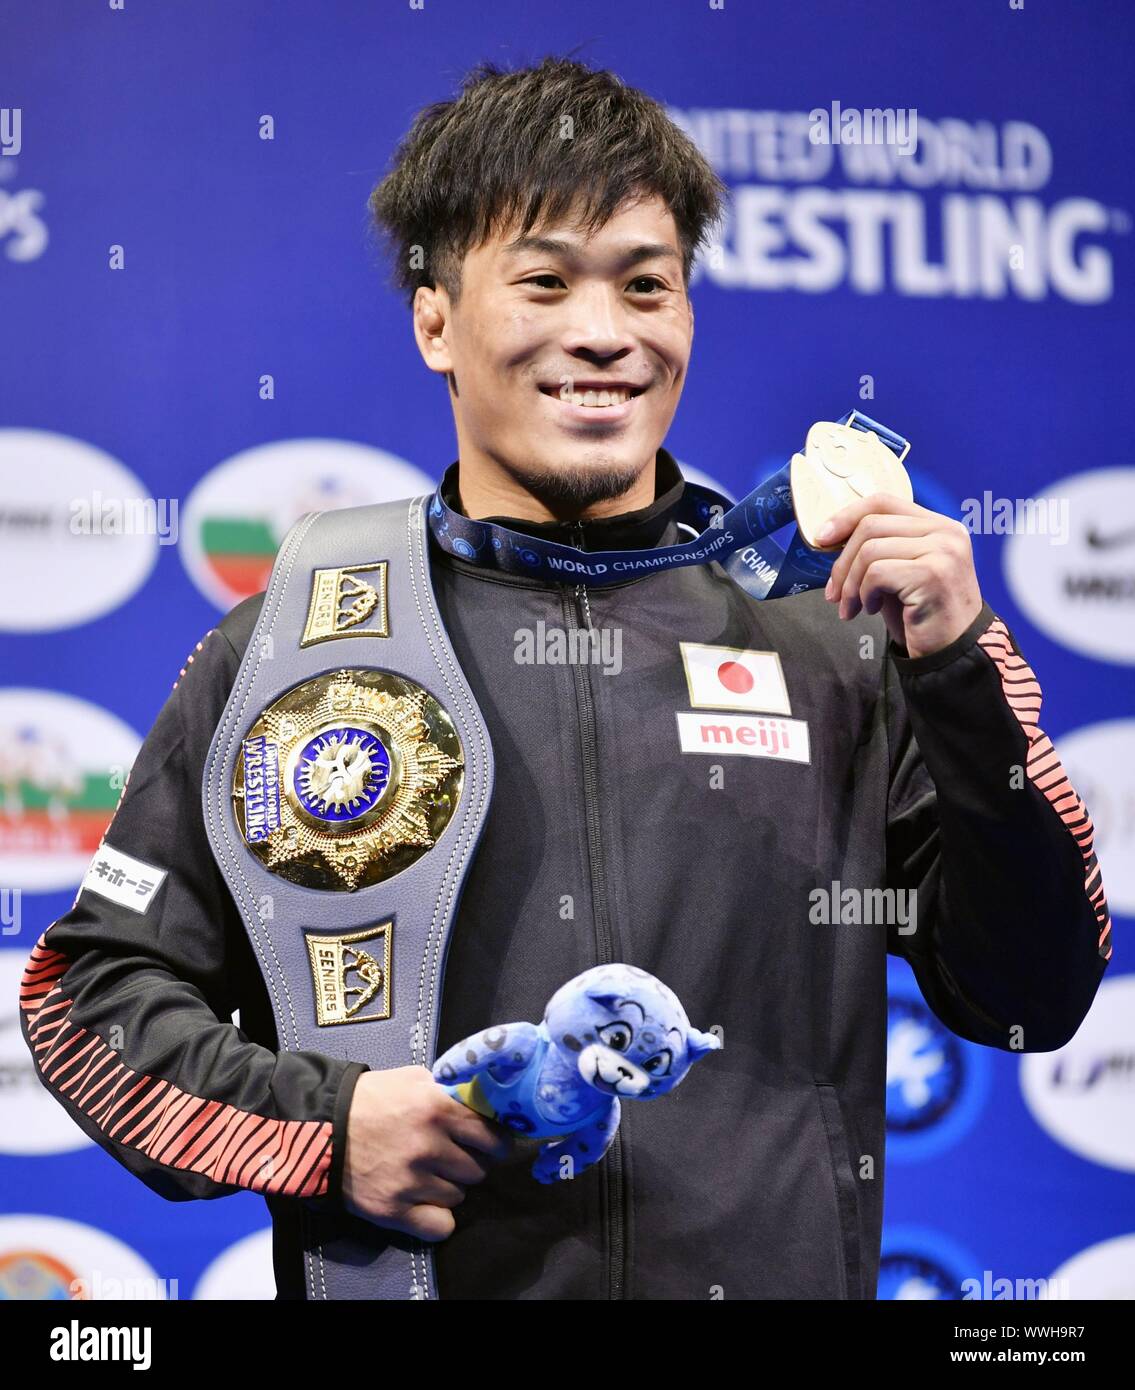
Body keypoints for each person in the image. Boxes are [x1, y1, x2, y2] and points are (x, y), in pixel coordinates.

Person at [19, 56, 1113, 1300]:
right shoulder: (295, 651)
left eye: (648, 285)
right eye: (543, 280)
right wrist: (327, 1129)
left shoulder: (834, 638)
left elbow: (1035, 992)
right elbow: (87, 997)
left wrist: (960, 670)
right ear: (435, 317)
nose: (603, 332)